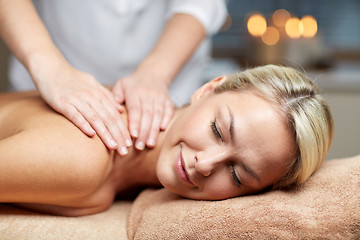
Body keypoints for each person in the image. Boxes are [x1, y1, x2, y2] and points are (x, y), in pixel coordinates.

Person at [0, 65, 334, 216]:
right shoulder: (85, 156)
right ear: (207, 89)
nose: (204, 164)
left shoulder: (125, 175)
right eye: (218, 130)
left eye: (236, 175)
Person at [0, 0, 228, 155]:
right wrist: (49, 66)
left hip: (171, 84)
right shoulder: (77, 158)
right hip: (48, 80)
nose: (205, 164)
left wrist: (154, 74)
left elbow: (201, 4)